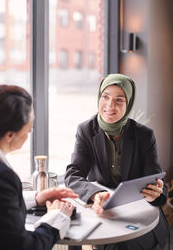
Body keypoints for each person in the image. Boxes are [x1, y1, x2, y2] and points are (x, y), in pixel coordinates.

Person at [65, 73, 169, 250]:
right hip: (103, 211)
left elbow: (158, 185)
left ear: (128, 103)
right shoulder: (86, 130)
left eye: (119, 100)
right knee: (74, 237)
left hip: (138, 214)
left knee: (121, 244)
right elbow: (73, 175)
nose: (109, 105)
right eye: (105, 97)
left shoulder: (144, 135)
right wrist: (96, 194)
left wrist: (156, 193)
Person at [0, 84, 78, 250]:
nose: (31, 130)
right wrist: (57, 217)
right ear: (9, 135)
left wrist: (36, 198)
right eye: (29, 126)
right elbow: (25, 247)